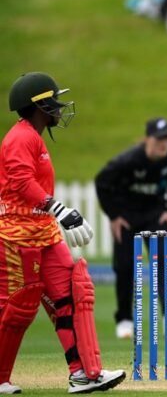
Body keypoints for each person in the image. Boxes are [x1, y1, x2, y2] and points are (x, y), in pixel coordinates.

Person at [0, 72, 126, 394]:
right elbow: (21, 182)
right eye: (54, 101)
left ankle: (83, 373)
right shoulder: (20, 138)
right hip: (15, 237)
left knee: (72, 295)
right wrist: (60, 210)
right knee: (17, 309)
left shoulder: (34, 137)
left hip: (43, 233)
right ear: (38, 105)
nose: (59, 107)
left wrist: (55, 216)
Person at [95, 117, 167, 340]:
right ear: (147, 140)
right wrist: (114, 215)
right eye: (159, 139)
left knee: (162, 261)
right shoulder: (127, 161)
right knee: (125, 267)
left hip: (154, 214)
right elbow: (101, 182)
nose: (164, 144)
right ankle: (124, 319)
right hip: (127, 218)